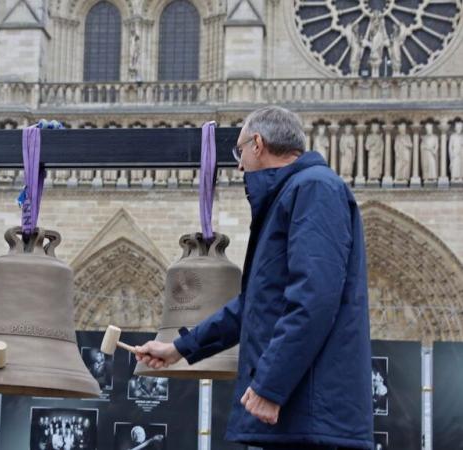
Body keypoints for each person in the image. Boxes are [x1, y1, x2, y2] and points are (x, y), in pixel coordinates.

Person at [136, 106, 373, 449]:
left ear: (258, 144)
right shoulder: (292, 194)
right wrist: (179, 348)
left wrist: (270, 386)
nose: (239, 163)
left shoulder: (314, 190)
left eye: (240, 150)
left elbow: (314, 299)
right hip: (297, 415)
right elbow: (254, 306)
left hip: (310, 416)